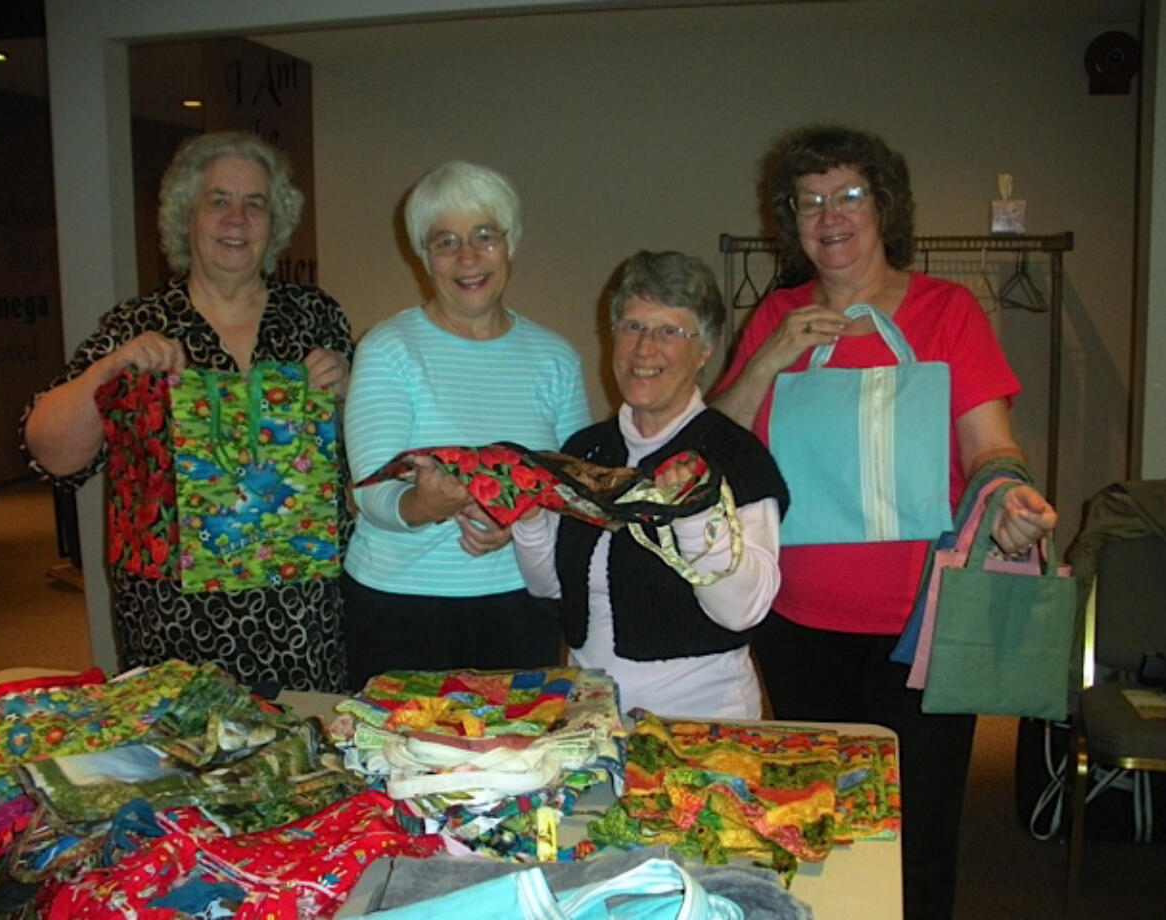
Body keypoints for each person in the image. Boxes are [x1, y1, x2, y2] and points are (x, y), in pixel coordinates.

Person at [712, 124, 1058, 920]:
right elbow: (717, 449)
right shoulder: (778, 315)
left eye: (849, 196)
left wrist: (1009, 493)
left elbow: (992, 447)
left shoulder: (947, 312)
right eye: (810, 203)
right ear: (791, 222)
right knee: (814, 825)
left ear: (885, 207)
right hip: (795, 622)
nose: (830, 216)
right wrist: (769, 358)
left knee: (919, 834)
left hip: (923, 628)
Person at [21, 131, 353, 692]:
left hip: (303, 610)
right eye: (218, 200)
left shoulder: (315, 316)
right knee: (181, 763)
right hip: (174, 618)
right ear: (187, 216)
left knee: (303, 766)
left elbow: (363, 450)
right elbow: (52, 454)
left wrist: (348, 391)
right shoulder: (138, 325)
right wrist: (106, 373)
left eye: (255, 204)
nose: (236, 219)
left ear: (275, 223)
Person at [343, 160, 591, 689]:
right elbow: (369, 491)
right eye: (445, 241)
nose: (469, 257)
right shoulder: (389, 349)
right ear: (423, 256)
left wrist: (520, 524)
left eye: (485, 235)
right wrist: (420, 506)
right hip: (402, 608)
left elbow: (571, 494)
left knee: (519, 761)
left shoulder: (556, 359)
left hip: (520, 606)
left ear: (511, 242)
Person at [512, 250, 787, 720]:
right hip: (590, 715)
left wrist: (695, 513)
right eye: (633, 326)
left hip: (701, 722)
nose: (645, 348)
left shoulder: (736, 457)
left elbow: (744, 611)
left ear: (704, 350)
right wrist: (529, 513)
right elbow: (551, 585)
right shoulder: (586, 451)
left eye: (670, 331)